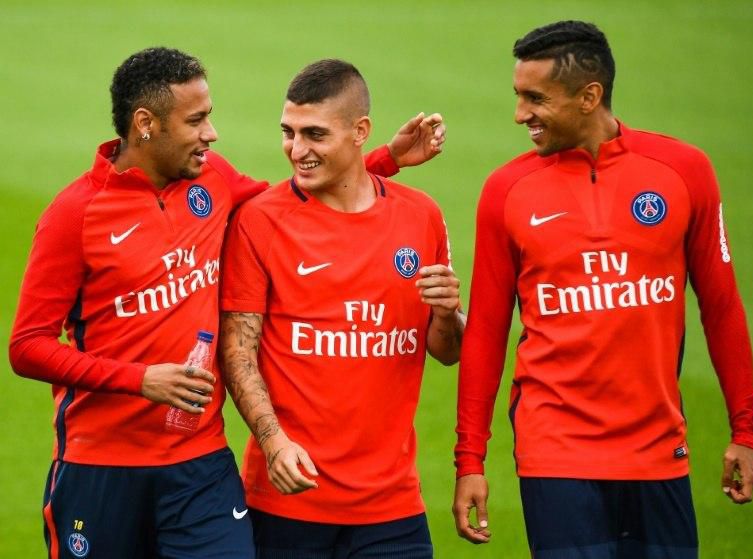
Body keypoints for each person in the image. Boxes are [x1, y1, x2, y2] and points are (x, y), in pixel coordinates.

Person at [8, 46, 446, 559]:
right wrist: (140, 379)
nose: (211, 134)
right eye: (196, 120)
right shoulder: (74, 215)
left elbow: (291, 205)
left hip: (200, 462)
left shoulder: (212, 178)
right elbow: (27, 347)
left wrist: (382, 161)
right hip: (102, 463)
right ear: (145, 124)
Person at [452, 20, 753, 557]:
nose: (519, 114)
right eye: (517, 96)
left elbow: (722, 306)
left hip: (658, 450)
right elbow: (485, 332)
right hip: (556, 454)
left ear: (589, 97)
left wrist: (745, 431)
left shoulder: (683, 172)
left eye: (535, 98)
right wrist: (470, 461)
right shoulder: (507, 191)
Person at [219, 58, 464, 558]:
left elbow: (447, 350)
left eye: (314, 134)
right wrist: (274, 444)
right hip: (288, 501)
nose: (297, 150)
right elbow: (238, 353)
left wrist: (446, 314)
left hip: (393, 508)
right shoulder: (260, 221)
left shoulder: (421, 217)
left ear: (361, 131)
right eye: (288, 132)